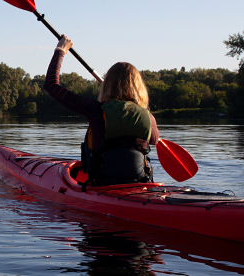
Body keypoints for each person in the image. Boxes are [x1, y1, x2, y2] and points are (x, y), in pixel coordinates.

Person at [45, 35, 160, 187]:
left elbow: (52, 85)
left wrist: (60, 50)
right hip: (139, 184)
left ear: (107, 85)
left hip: (103, 184)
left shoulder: (96, 110)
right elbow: (154, 140)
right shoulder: (149, 117)